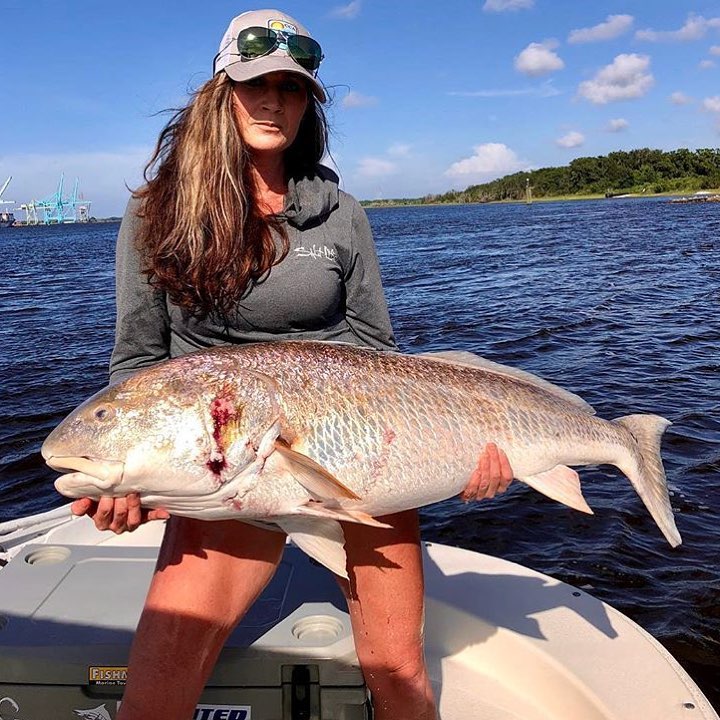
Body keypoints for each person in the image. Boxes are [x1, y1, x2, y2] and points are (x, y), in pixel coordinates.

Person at [71, 9, 514, 720]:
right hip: (221, 474)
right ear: (221, 91)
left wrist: (458, 451)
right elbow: (137, 362)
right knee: (155, 691)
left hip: (350, 460)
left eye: (294, 87)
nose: (275, 101)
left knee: (400, 673)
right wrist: (125, 470)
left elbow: (378, 353)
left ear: (310, 103)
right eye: (257, 84)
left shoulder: (340, 213)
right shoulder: (154, 212)